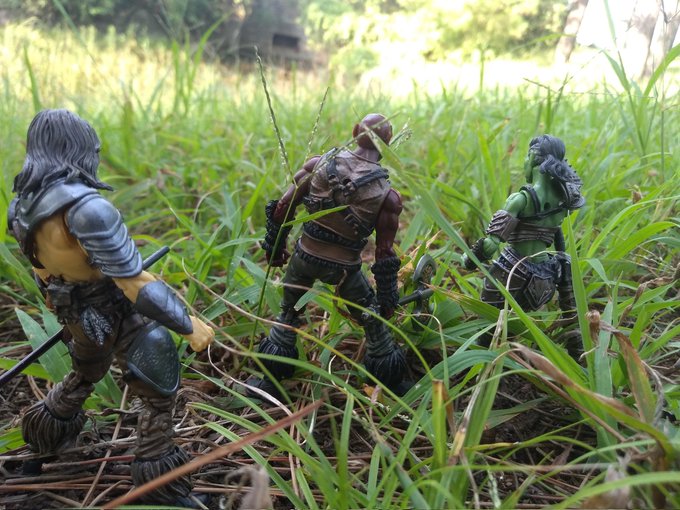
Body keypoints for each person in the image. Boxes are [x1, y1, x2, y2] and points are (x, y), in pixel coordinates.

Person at [8, 109, 215, 506]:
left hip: (73, 309)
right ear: (80, 150)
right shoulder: (89, 209)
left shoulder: (21, 206)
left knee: (85, 374)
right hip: (111, 307)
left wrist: (63, 308)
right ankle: (159, 479)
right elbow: (133, 282)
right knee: (158, 386)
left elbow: (41, 271)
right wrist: (188, 324)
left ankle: (42, 443)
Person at [253, 113, 411, 396]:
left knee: (287, 314)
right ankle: (391, 383)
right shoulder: (387, 196)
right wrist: (387, 299)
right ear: (387, 143)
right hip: (344, 270)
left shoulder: (318, 165)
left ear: (354, 131)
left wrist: (275, 246)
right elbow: (384, 252)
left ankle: (270, 382)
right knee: (373, 322)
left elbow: (283, 207)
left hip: (303, 258)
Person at [462, 134, 585, 354]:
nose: (525, 162)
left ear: (534, 157)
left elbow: (491, 245)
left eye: (527, 157)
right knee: (570, 313)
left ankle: (483, 357)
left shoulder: (520, 199)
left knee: (488, 323)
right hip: (548, 275)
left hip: (512, 272)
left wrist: (468, 260)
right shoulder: (564, 199)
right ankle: (575, 354)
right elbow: (557, 234)